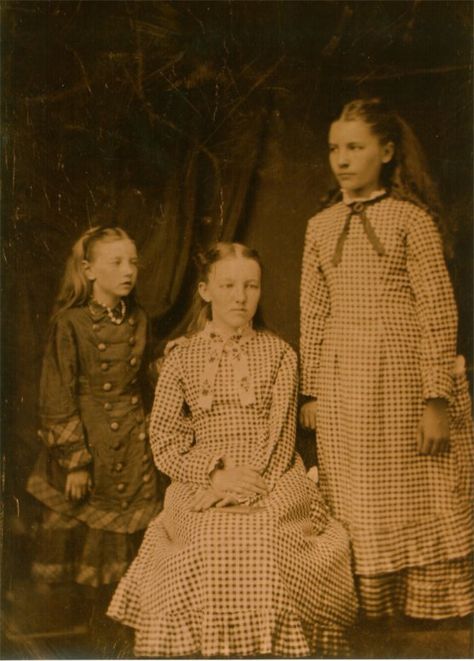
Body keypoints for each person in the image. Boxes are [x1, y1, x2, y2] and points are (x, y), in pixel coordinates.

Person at [108, 242, 358, 658]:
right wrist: (214, 475)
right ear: (205, 291)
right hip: (200, 477)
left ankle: (268, 647)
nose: (241, 297)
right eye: (228, 285)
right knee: (205, 535)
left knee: (262, 533)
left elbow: (279, 438)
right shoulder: (182, 357)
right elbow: (166, 440)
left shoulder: (281, 355)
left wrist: (244, 486)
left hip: (272, 476)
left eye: (251, 286)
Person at [300, 97, 473, 621]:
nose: (342, 159)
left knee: (420, 485)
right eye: (335, 148)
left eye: (355, 147)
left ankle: (428, 604)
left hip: (404, 373)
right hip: (344, 380)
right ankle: (371, 609)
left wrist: (435, 397)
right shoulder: (319, 226)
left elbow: (439, 311)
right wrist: (311, 391)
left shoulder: (410, 220)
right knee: (357, 490)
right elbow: (312, 312)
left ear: (388, 152)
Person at [27, 225, 162, 652]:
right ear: (88, 270)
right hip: (91, 446)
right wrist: (76, 461)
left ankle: (118, 638)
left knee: (125, 558)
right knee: (86, 551)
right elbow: (57, 393)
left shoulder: (138, 318)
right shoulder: (69, 324)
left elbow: (142, 378)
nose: (128, 271)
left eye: (133, 262)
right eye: (116, 262)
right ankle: (85, 644)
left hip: (131, 445)